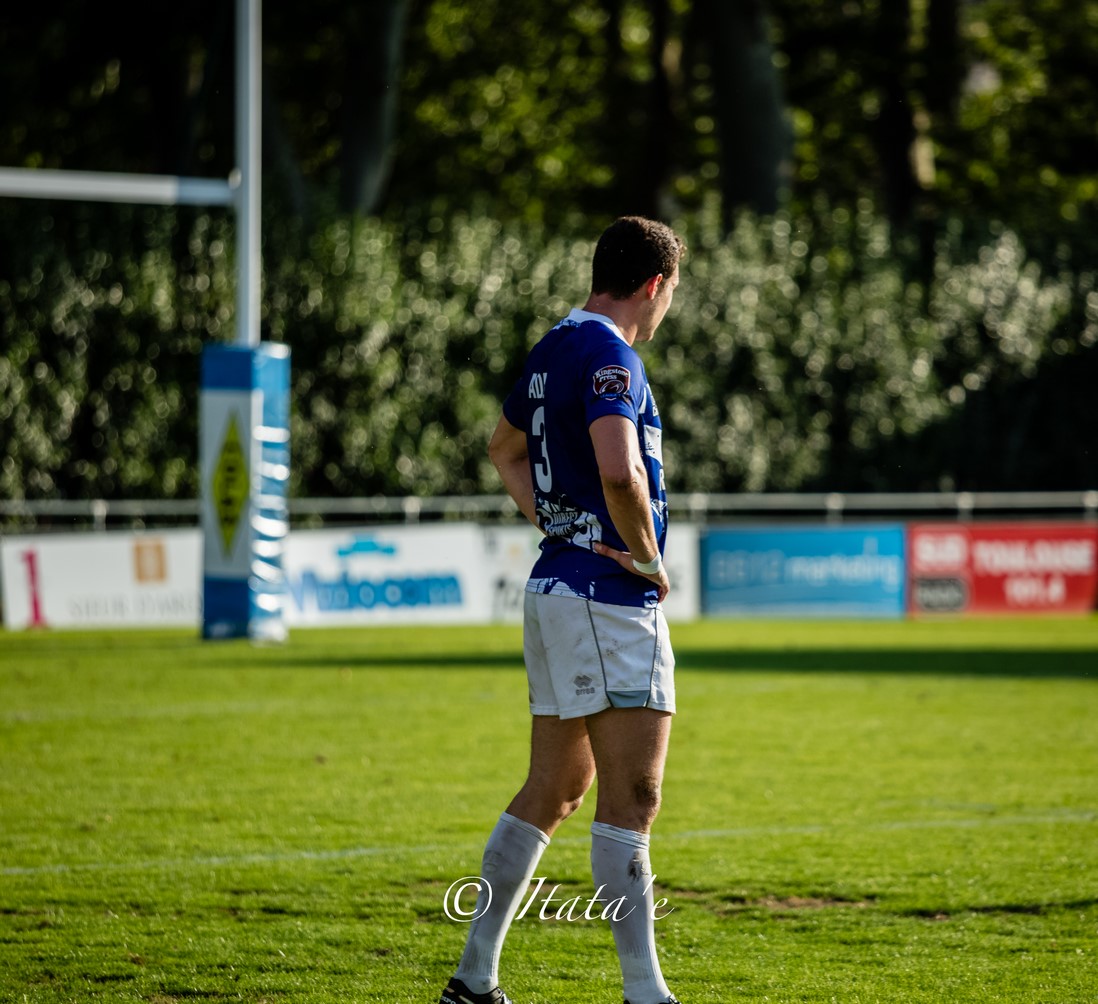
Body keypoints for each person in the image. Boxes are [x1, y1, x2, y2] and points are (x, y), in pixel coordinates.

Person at [439, 216, 686, 1004]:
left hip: (553, 588)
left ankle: (473, 979)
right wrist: (646, 557)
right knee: (633, 798)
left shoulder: (553, 348)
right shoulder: (614, 357)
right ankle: (646, 994)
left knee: (557, 787)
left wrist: (559, 527)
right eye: (671, 293)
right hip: (605, 598)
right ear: (654, 283)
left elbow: (503, 448)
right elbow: (620, 472)